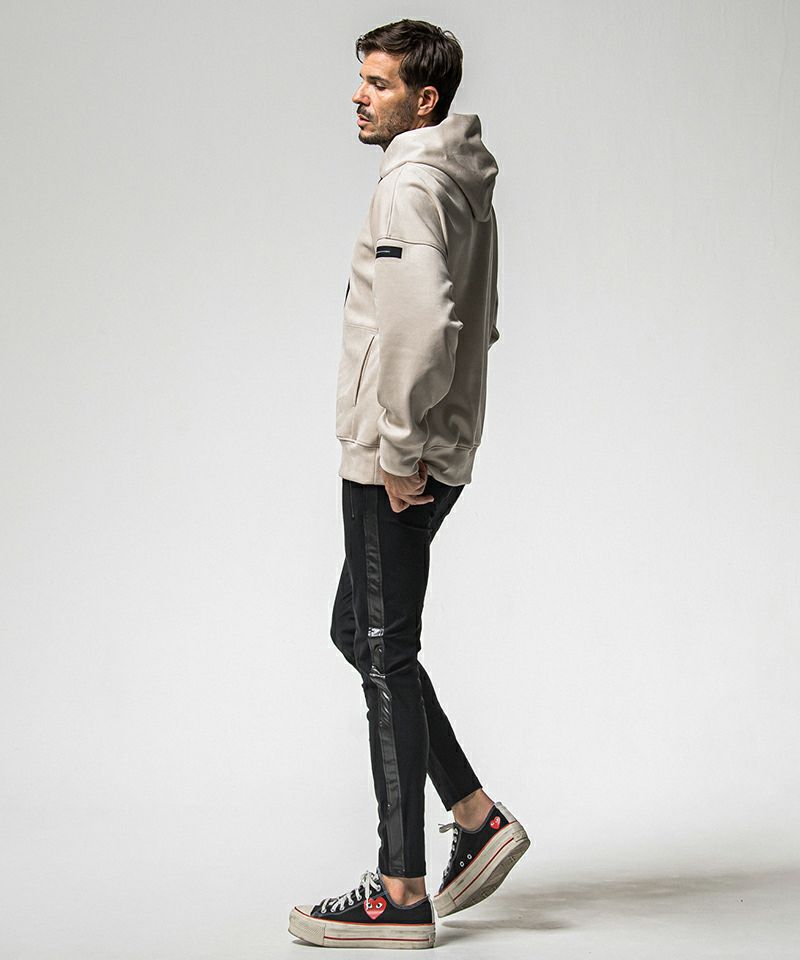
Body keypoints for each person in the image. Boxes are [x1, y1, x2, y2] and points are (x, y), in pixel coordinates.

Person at [289, 19, 529, 949]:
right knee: (360, 629)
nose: (359, 95)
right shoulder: (460, 179)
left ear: (424, 100)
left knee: (383, 651)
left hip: (396, 458)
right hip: (438, 444)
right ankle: (474, 816)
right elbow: (483, 315)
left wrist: (397, 447)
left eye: (379, 84)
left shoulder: (409, 185)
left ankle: (401, 891)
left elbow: (425, 327)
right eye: (362, 79)